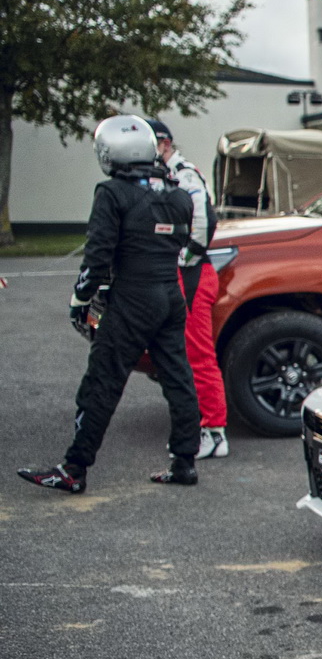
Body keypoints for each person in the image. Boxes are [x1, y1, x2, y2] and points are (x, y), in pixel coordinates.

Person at [19, 117, 201, 493]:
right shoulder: (179, 195)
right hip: (170, 295)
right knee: (178, 379)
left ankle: (74, 469)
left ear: (110, 152)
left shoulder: (113, 193)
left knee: (102, 382)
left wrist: (81, 299)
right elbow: (184, 243)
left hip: (132, 298)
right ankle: (185, 462)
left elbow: (98, 257)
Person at [150, 119, 227, 459]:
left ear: (164, 143)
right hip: (176, 275)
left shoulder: (183, 172)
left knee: (198, 355)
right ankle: (196, 426)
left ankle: (215, 432)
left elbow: (203, 222)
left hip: (193, 276)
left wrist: (183, 259)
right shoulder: (160, 175)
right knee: (176, 354)